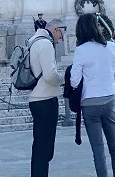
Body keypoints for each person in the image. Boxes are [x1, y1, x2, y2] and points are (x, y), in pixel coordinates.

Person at [70, 13, 115, 177]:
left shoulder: (80, 50)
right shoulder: (111, 46)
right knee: (114, 146)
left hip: (89, 102)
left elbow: (74, 81)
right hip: (109, 98)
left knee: (98, 149)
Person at [28, 18, 66, 177]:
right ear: (56, 29)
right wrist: (65, 79)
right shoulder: (45, 44)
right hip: (45, 100)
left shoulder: (34, 42)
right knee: (44, 147)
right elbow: (50, 75)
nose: (61, 39)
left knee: (40, 145)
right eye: (61, 34)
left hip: (37, 98)